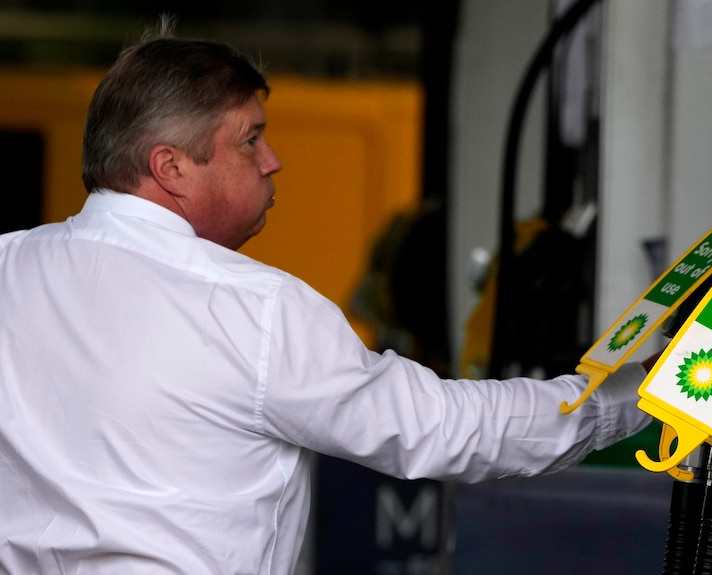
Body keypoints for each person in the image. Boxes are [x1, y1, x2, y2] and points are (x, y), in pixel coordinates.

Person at [0, 19, 655, 575]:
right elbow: (451, 430)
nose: (273, 159)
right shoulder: (251, 309)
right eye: (250, 139)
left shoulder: (8, 266)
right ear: (171, 167)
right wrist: (646, 394)